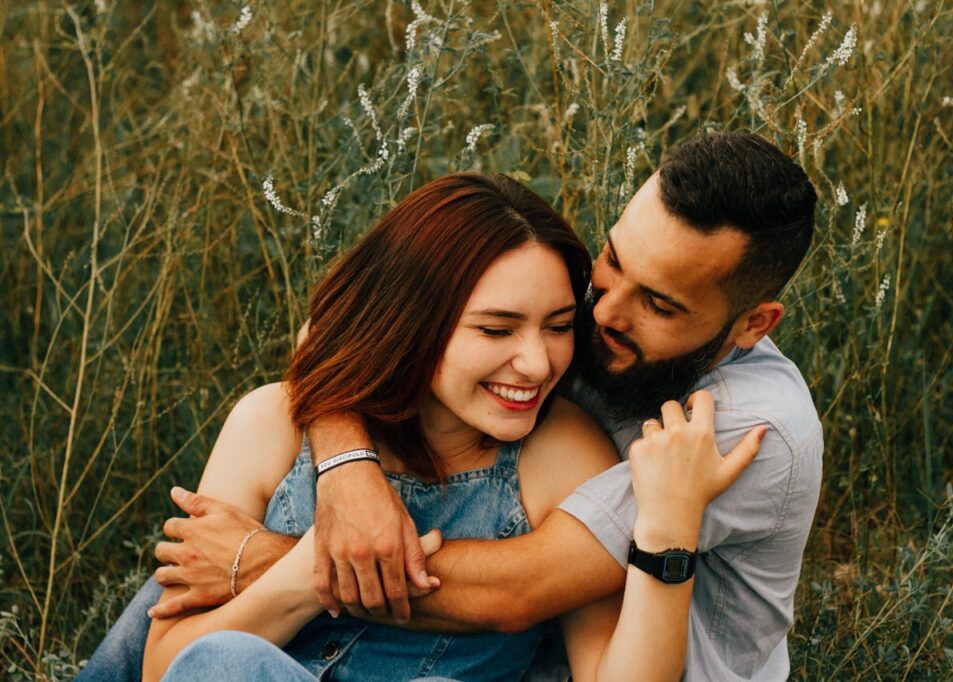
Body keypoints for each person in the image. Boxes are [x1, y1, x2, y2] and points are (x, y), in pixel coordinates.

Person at [77, 130, 820, 681]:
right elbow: (334, 334)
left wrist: (290, 561)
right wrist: (345, 468)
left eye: (655, 303)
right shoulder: (275, 420)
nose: (594, 319)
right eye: (612, 264)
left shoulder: (741, 433)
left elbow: (521, 590)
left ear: (751, 323)